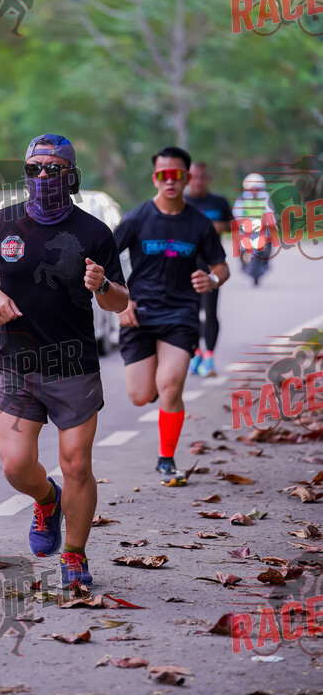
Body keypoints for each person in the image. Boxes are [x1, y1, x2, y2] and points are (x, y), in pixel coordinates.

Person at [0, 134, 128, 587]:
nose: (42, 175)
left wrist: (102, 284)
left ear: (71, 175)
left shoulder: (93, 233)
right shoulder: (0, 224)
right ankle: (46, 499)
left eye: (53, 168)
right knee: (15, 466)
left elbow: (119, 302)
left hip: (73, 366)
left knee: (77, 464)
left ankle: (75, 556)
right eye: (34, 168)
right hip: (17, 364)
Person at [114, 146, 230, 486]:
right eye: (163, 175)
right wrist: (121, 301)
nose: (170, 181)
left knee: (170, 385)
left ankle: (166, 459)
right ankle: (158, 391)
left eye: (176, 175)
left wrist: (211, 281)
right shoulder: (136, 219)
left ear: (187, 178)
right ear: (155, 178)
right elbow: (105, 258)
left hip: (181, 314)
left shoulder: (199, 224)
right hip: (139, 313)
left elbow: (221, 267)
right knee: (140, 395)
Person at [184, 162, 233, 377]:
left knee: (210, 311)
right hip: (186, 265)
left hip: (212, 264)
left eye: (202, 177)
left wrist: (222, 226)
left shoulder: (218, 202)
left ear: (208, 179)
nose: (198, 182)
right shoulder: (182, 202)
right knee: (190, 312)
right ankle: (195, 354)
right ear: (188, 179)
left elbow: (234, 225)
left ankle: (209, 358)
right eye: (194, 177)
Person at [232, 173, 277, 284]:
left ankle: (266, 261)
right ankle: (243, 261)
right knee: (238, 243)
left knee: (270, 241)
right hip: (246, 229)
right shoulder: (242, 199)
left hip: (261, 228)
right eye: (252, 188)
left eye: (257, 188)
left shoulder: (265, 198)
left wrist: (270, 223)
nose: (254, 191)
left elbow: (270, 213)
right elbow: (236, 214)